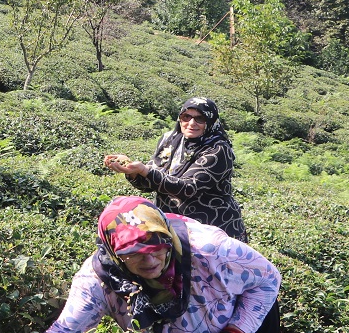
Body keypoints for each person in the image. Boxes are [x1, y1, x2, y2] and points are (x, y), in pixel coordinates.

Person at [37, 196, 281, 333]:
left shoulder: (212, 250)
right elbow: (63, 332)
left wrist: (239, 330)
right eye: (134, 253)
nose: (150, 261)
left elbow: (269, 278)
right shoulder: (97, 278)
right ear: (113, 253)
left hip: (242, 326)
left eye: (157, 247)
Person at [105, 97, 247, 241]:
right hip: (174, 227)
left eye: (200, 119)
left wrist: (144, 171)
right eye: (186, 117)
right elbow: (151, 183)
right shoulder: (170, 140)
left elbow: (188, 188)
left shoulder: (218, 150)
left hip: (211, 231)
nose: (191, 123)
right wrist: (133, 172)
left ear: (210, 121)